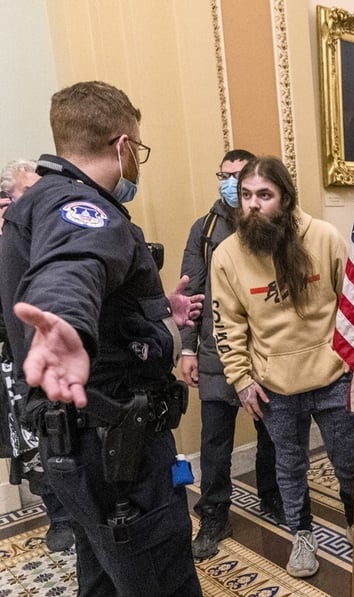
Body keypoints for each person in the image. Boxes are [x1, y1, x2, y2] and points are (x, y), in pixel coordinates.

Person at [0, 81, 203, 596]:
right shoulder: (82, 207)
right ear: (123, 146)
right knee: (160, 577)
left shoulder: (35, 203)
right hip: (119, 449)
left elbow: (94, 283)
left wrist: (157, 312)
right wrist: (64, 319)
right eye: (137, 149)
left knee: (104, 573)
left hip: (82, 443)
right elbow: (74, 265)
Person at [209, 156, 354, 577]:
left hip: (333, 376)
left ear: (285, 199)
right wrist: (242, 380)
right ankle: (302, 534)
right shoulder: (226, 256)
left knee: (348, 461)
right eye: (246, 195)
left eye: (264, 196)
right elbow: (226, 325)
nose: (252, 205)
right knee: (289, 466)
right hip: (274, 385)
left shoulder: (323, 238)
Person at [179, 149, 290, 560]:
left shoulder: (274, 226)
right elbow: (190, 293)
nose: (231, 184)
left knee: (272, 433)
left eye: (238, 177)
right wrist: (187, 350)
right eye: (223, 176)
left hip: (266, 350)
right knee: (215, 441)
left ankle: (272, 497)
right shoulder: (204, 229)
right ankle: (214, 514)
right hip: (214, 350)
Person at [0, 157, 74, 552]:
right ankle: (59, 517)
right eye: (23, 195)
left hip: (56, 361)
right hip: (14, 365)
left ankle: (75, 515)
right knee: (31, 449)